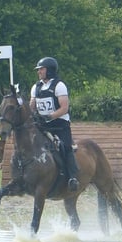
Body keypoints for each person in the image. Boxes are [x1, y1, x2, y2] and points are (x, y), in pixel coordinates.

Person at [30, 56, 79, 191]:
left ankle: (72, 177)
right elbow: (32, 106)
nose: (39, 72)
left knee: (65, 147)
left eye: (41, 69)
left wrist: (49, 116)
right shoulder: (36, 87)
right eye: (38, 69)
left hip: (60, 124)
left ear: (49, 70)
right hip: (43, 124)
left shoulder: (59, 86)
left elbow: (64, 108)